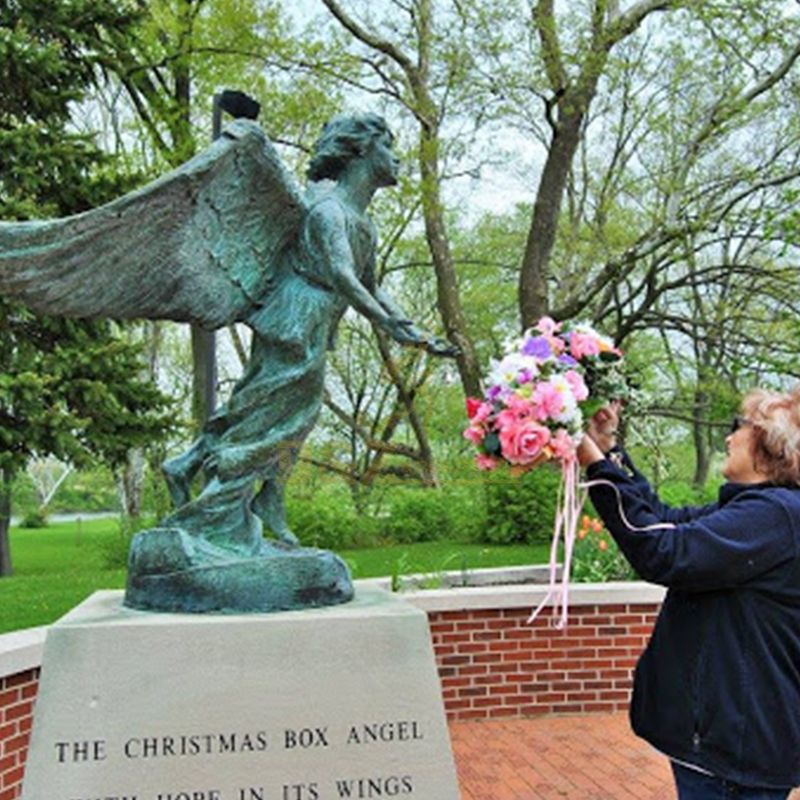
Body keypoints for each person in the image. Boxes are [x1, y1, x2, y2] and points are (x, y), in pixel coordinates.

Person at [161, 113, 455, 550]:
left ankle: (199, 469)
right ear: (360, 151)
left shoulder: (363, 223)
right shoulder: (327, 209)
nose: (396, 158)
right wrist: (385, 322)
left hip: (316, 321)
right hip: (295, 317)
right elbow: (341, 273)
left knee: (278, 413)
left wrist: (412, 330)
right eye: (388, 146)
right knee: (275, 414)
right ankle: (218, 506)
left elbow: (369, 285)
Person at [577, 387, 800, 799]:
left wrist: (593, 463)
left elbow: (662, 551)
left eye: (741, 427)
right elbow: (663, 521)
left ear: (773, 443)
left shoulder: (774, 515)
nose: (730, 438)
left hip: (737, 748)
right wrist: (609, 451)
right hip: (726, 739)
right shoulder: (756, 509)